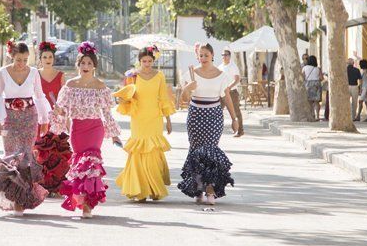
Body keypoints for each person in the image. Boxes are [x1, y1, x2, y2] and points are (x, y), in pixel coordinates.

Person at [50, 41, 121, 218]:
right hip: (77, 129)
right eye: (83, 63)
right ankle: (81, 200)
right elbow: (62, 110)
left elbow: (107, 113)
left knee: (91, 164)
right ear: (78, 65)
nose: (86, 66)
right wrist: (59, 112)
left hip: (95, 128)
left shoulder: (101, 86)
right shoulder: (70, 86)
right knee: (80, 165)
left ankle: (88, 204)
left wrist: (113, 135)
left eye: (89, 63)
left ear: (94, 66)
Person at [0, 41, 50, 217]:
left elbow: (39, 95)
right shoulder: (3, 73)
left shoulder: (34, 72)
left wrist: (44, 119)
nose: (22, 64)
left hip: (30, 117)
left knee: (26, 156)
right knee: (12, 155)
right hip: (10, 118)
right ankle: (13, 197)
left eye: (25, 60)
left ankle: (21, 201)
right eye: (18, 59)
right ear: (11, 57)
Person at [178, 43, 238, 206]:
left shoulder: (221, 75)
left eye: (206, 55)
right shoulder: (191, 74)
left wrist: (234, 119)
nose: (203, 58)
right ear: (198, 57)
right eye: (201, 55)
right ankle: (198, 188)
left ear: (212, 55)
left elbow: (226, 97)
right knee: (197, 152)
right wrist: (188, 89)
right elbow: (183, 99)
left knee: (210, 151)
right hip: (195, 114)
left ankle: (210, 189)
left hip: (214, 115)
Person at [114, 45, 175, 202]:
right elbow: (126, 95)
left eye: (149, 61)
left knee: (153, 150)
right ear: (139, 61)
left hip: (155, 117)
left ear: (153, 60)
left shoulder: (160, 75)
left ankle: (154, 188)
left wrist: (168, 119)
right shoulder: (132, 75)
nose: (147, 64)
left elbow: (163, 98)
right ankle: (139, 189)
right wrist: (121, 98)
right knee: (139, 150)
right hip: (138, 117)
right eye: (144, 61)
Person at [34, 40, 72, 196]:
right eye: (45, 57)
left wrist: (61, 110)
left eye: (50, 57)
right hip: (41, 118)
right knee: (41, 152)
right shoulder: (35, 74)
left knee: (56, 152)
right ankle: (41, 185)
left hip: (57, 118)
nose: (48, 59)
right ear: (40, 59)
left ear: (53, 58)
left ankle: (56, 186)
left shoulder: (61, 76)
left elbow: (65, 98)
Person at [219, 48, 244, 137]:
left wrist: (229, 87)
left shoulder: (233, 66)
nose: (224, 57)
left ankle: (240, 131)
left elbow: (237, 79)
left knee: (236, 112)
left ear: (229, 56)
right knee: (217, 111)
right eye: (222, 55)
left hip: (232, 92)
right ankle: (216, 130)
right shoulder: (220, 66)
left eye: (225, 55)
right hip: (221, 93)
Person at [302, 55, 323, 120]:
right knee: (316, 101)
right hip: (316, 84)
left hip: (308, 84)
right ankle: (317, 116)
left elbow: (302, 77)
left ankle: (312, 115)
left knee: (310, 101)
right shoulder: (318, 69)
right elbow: (321, 78)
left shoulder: (305, 68)